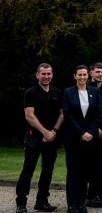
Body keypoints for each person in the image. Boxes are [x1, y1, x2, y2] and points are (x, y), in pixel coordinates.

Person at [16, 64, 63, 213]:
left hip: (52, 138)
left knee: (47, 171)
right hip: (34, 138)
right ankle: (21, 203)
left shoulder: (57, 92)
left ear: (52, 75)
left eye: (49, 74)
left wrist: (53, 131)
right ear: (37, 75)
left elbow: (62, 114)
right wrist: (44, 132)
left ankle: (42, 202)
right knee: (27, 171)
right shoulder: (31, 93)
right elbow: (29, 116)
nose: (46, 77)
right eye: (43, 74)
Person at [62, 65, 102, 213]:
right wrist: (81, 132)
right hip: (74, 138)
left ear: (88, 75)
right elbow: (68, 115)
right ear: (75, 76)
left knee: (86, 172)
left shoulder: (94, 91)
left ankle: (81, 203)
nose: (82, 77)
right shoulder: (68, 92)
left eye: (85, 74)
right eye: (79, 75)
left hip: (90, 139)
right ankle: (72, 204)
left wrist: (90, 132)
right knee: (73, 172)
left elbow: (98, 114)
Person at [86, 63, 102, 208]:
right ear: (91, 73)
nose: (100, 74)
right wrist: (93, 129)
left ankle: (98, 195)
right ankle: (86, 195)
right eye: (98, 71)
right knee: (87, 166)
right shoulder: (86, 87)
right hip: (88, 133)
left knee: (101, 167)